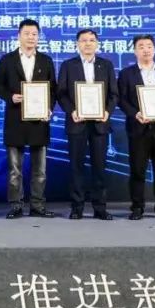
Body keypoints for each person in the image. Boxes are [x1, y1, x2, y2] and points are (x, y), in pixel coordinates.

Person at [0, 19, 58, 219]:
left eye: (34, 34)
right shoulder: (7, 60)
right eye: (27, 33)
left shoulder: (46, 60)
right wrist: (10, 97)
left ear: (38, 37)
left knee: (40, 170)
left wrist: (49, 108)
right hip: (15, 120)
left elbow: (53, 89)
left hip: (39, 121)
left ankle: (38, 205)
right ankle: (16, 206)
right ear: (19, 36)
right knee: (15, 170)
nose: (31, 37)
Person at [56, 29, 118, 220]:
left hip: (100, 124)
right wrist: (72, 111)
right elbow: (61, 93)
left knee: (100, 166)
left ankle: (100, 207)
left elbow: (113, 94)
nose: (88, 43)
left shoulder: (106, 65)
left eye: (92, 40)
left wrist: (107, 112)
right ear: (77, 44)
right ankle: (77, 207)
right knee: (76, 167)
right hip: (77, 122)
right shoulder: (68, 65)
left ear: (97, 44)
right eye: (84, 40)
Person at [117, 34, 155, 220]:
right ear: (135, 51)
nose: (146, 50)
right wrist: (135, 113)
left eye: (149, 46)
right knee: (137, 170)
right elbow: (121, 100)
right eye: (141, 46)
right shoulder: (126, 74)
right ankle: (137, 207)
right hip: (138, 128)